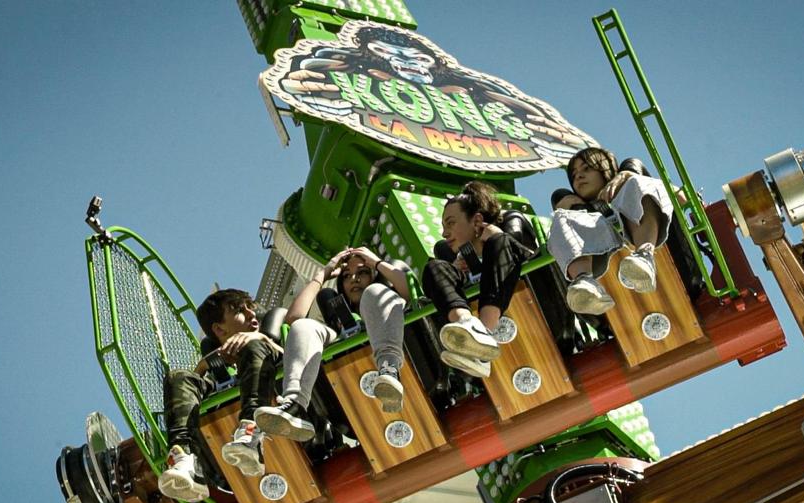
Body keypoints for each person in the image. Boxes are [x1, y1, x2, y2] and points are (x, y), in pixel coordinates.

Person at [254, 246, 411, 442]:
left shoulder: (387, 294)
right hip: (349, 414)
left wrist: (376, 263)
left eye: (362, 272)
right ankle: (295, 405)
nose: (354, 279)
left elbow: (409, 290)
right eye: (346, 276)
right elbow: (294, 318)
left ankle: (389, 371)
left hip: (408, 373)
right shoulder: (338, 323)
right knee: (303, 326)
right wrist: (324, 273)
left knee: (374, 293)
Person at [158, 289, 283, 503]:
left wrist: (260, 339)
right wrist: (203, 367)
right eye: (238, 311)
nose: (251, 314)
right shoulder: (218, 374)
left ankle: (250, 432)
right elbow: (192, 388)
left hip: (289, 420)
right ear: (219, 329)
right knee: (179, 377)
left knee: (253, 347)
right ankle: (184, 459)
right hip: (227, 465)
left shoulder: (270, 344)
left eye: (249, 308)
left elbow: (302, 364)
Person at [421, 181, 534, 379]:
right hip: (485, 322)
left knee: (499, 242)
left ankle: (483, 334)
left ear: (476, 220)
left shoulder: (510, 224)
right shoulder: (451, 254)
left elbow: (527, 257)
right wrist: (454, 271)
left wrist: (497, 236)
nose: (444, 233)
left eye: (451, 223)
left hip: (535, 304)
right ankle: (468, 328)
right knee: (434, 267)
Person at [548, 147, 673, 315]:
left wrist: (628, 174)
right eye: (574, 175)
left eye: (587, 168)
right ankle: (584, 282)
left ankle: (644, 255)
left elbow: (678, 198)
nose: (578, 176)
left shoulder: (630, 183)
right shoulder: (578, 215)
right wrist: (565, 208)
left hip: (660, 247)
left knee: (635, 182)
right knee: (561, 217)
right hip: (600, 259)